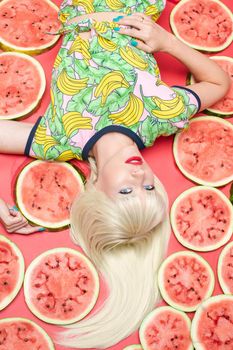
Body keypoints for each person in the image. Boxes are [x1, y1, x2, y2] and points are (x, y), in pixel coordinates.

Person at [0, 0, 230, 347]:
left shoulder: (57, 139)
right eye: (150, 189)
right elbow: (218, 83)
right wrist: (167, 42)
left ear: (93, 186)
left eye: (126, 193)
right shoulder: (160, 118)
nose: (140, 180)